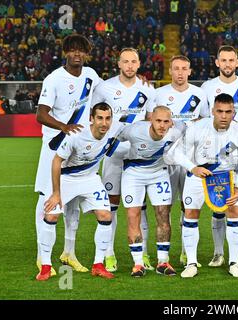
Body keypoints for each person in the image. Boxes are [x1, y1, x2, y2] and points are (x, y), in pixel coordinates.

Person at [35, 34, 101, 276]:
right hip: (54, 146)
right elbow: (41, 114)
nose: (76, 54)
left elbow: (108, 93)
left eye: (80, 50)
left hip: (78, 147)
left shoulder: (91, 75)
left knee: (71, 200)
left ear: (86, 53)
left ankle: (68, 253)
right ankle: (42, 257)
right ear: (65, 52)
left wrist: (138, 82)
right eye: (72, 50)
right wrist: (64, 126)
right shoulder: (54, 79)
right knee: (48, 199)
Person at [166, 93, 238, 278]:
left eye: (228, 112)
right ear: (213, 111)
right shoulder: (197, 128)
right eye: (219, 111)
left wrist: (237, 187)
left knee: (234, 213)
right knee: (190, 214)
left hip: (226, 177)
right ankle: (191, 263)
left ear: (233, 112)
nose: (223, 116)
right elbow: (177, 154)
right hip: (198, 176)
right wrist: (193, 167)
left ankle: (234, 263)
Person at [91, 47, 157, 273]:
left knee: (141, 207)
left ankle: (144, 253)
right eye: (125, 61)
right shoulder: (104, 88)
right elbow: (95, 118)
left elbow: (150, 122)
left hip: (138, 156)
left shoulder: (148, 89)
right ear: (118, 64)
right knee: (112, 205)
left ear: (139, 65)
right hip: (112, 154)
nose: (129, 66)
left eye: (133, 62)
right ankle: (109, 254)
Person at [37, 103, 115, 281]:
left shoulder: (113, 133)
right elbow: (57, 161)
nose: (104, 123)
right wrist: (56, 193)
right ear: (91, 119)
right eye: (100, 118)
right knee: (51, 216)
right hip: (66, 178)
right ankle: (46, 266)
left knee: (105, 215)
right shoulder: (76, 135)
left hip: (90, 178)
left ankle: (98, 264)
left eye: (108, 118)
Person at [201, 45, 238, 268]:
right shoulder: (207, 87)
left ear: (237, 62)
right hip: (216, 154)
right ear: (217, 62)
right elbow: (206, 119)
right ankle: (218, 253)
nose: (227, 64)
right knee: (219, 203)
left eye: (231, 60)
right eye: (223, 60)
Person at [151, 55, 208, 267]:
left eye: (184, 68)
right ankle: (160, 255)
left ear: (190, 71)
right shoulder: (159, 94)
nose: (180, 72)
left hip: (191, 159)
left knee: (188, 205)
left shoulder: (199, 94)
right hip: (165, 158)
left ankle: (186, 253)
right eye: (176, 68)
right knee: (163, 206)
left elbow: (204, 121)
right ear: (170, 71)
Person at [117, 106, 185, 277]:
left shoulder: (177, 131)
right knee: (133, 215)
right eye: (158, 121)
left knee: (163, 215)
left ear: (172, 122)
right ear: (151, 120)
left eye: (166, 121)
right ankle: (138, 263)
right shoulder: (134, 131)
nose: (162, 125)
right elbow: (117, 136)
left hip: (158, 173)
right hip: (133, 173)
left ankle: (163, 262)